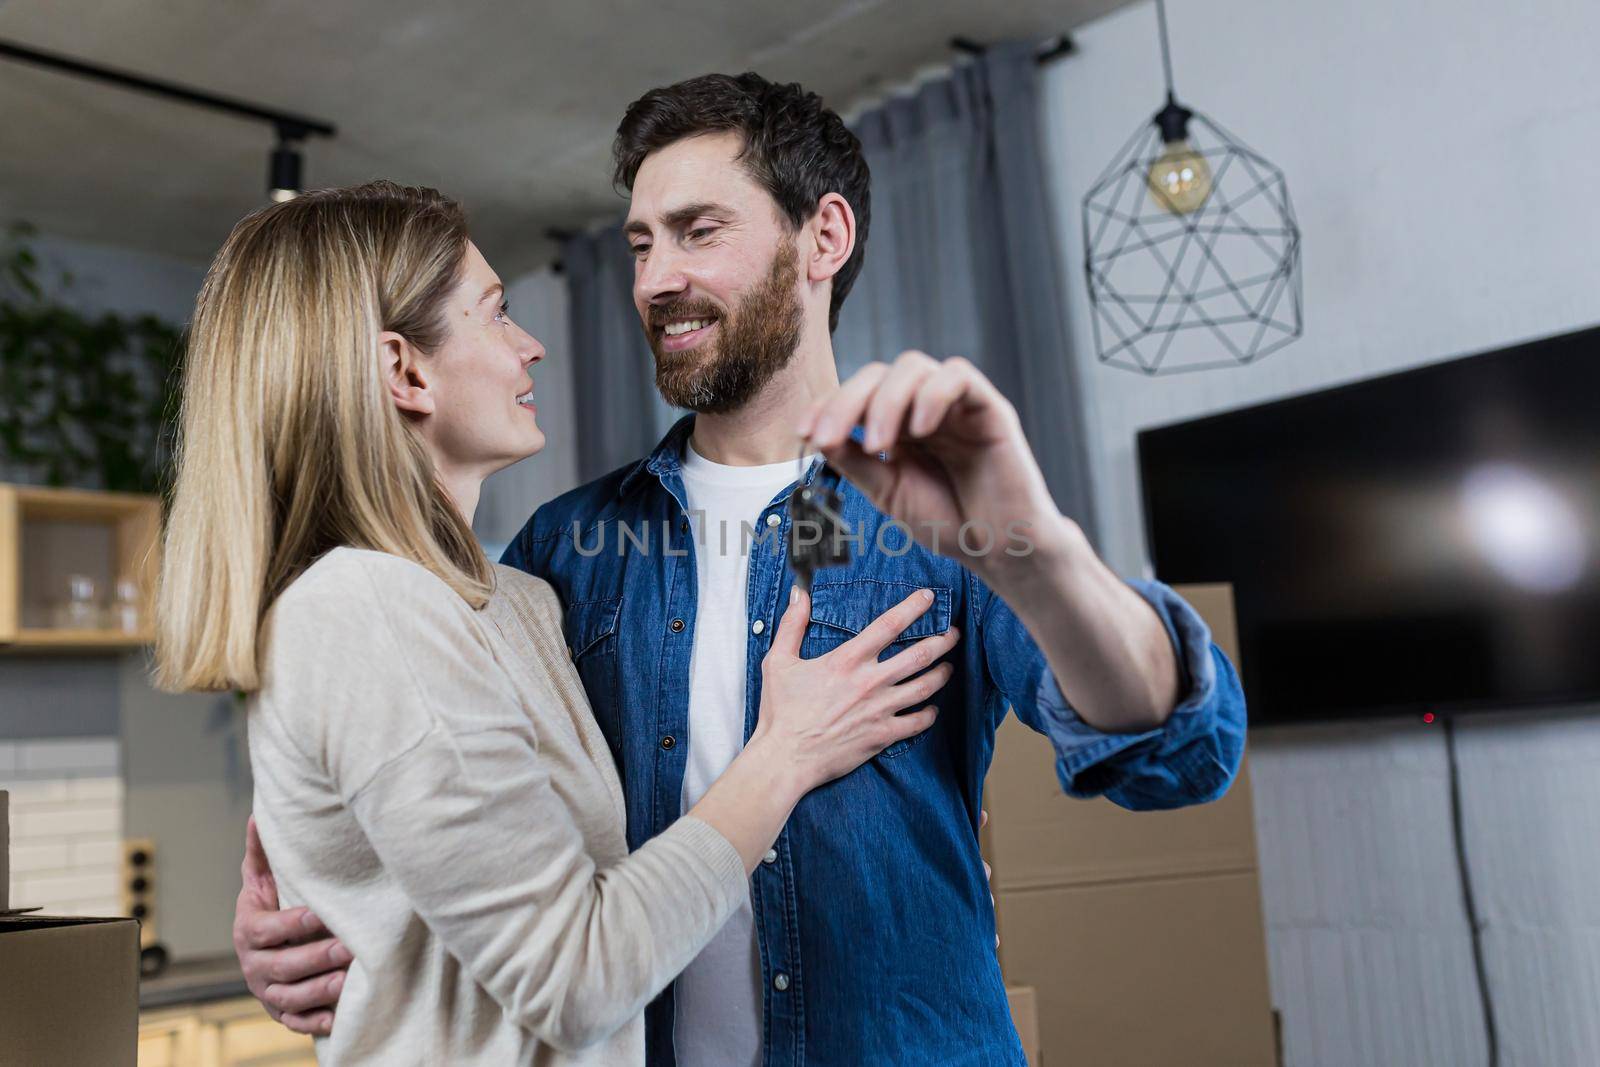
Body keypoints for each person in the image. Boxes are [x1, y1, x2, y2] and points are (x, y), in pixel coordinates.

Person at [237, 74, 1249, 1066]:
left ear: (825, 237)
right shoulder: (561, 548)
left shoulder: (946, 523)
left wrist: (1029, 544)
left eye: (698, 230)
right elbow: (450, 814)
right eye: (639, 243)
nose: (653, 278)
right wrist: (324, 908)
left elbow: (1176, 752)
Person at [156, 180, 964, 1064]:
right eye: (497, 314)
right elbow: (573, 976)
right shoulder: (364, 613)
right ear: (404, 371)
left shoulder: (521, 599)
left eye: (700, 230)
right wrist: (787, 753)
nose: (531, 347)